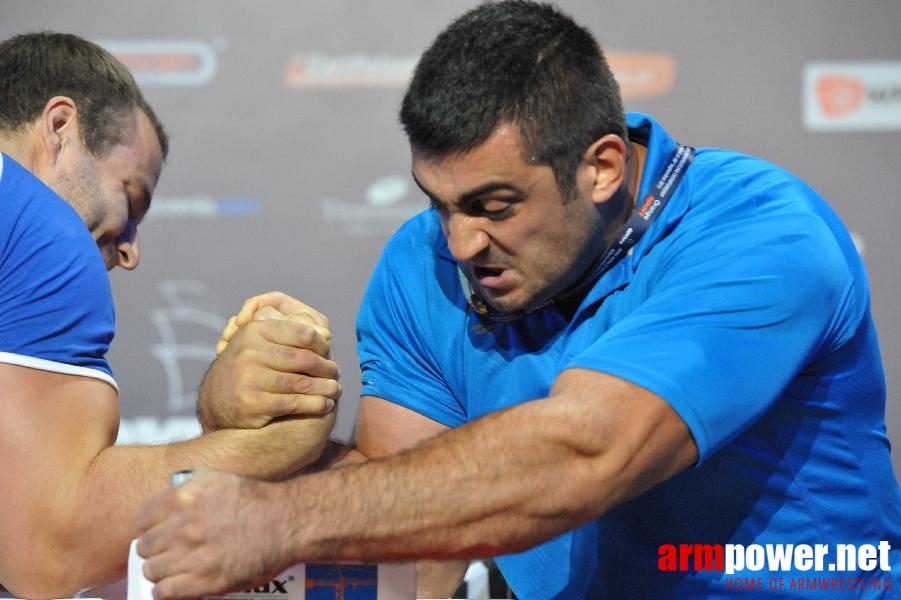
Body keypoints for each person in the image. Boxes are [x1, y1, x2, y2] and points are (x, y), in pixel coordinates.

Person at [135, 1, 901, 598]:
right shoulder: (424, 259)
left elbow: (586, 453)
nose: (461, 243)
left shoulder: (761, 235)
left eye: (495, 205)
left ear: (600, 167)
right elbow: (413, 529)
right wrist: (239, 415)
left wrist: (278, 519)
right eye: (440, 203)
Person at [0, 32, 340, 599]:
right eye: (131, 200)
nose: (130, 250)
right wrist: (276, 441)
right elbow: (48, 554)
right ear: (60, 127)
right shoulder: (45, 234)